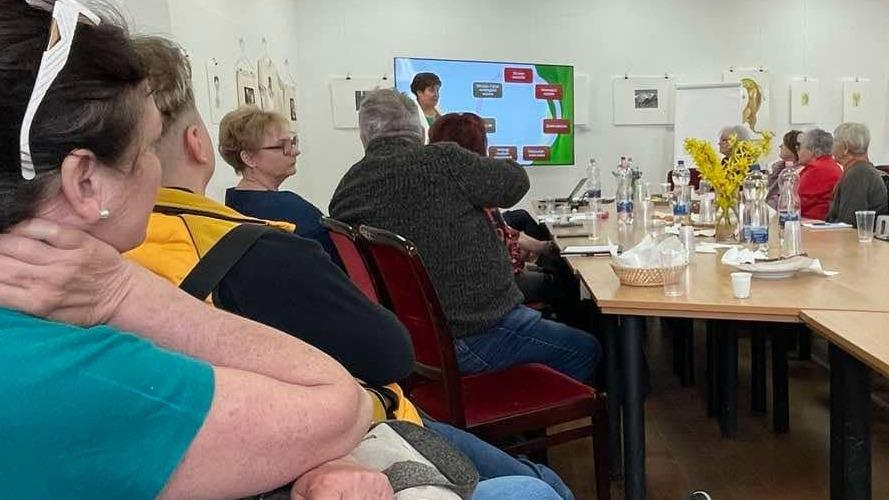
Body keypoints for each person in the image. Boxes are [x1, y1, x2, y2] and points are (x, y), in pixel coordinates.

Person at [127, 36, 573, 500]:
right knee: (539, 486)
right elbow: (388, 355)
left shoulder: (112, 268)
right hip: (358, 426)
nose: (294, 151)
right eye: (286, 144)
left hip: (262, 448)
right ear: (197, 144)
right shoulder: (260, 248)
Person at [0, 2, 386, 498]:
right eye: (147, 147)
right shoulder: (63, 373)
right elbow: (342, 403)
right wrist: (119, 291)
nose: (155, 168)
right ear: (86, 182)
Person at [330, 89, 601, 384]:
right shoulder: (443, 160)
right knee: (588, 350)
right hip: (479, 332)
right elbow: (515, 182)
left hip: (410, 343)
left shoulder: (348, 189)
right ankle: (527, 407)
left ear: (364, 136)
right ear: (419, 130)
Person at [428, 112, 582, 324]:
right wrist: (535, 253)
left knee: (554, 266)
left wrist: (540, 249)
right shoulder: (476, 189)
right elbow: (503, 242)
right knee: (565, 282)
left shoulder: (437, 189)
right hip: (493, 287)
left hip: (470, 285)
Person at [219, 106, 343, 268]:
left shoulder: (232, 204)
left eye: (292, 142)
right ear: (249, 158)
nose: (295, 151)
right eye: (282, 146)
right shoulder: (292, 211)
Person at [827, 123, 889, 226]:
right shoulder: (861, 170)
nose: (832, 147)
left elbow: (848, 223)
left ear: (845, 147)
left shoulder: (858, 174)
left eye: (835, 142)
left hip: (855, 235)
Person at [796, 128, 842, 220]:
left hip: (813, 222)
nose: (798, 152)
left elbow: (795, 202)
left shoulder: (817, 169)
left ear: (813, 150)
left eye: (800, 148)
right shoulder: (832, 165)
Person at [766, 129, 801, 208]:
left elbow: (781, 201)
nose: (780, 146)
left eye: (784, 144)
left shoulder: (796, 173)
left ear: (793, 149)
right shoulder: (779, 167)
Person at [410, 71, 443, 140]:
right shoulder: (409, 115)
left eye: (437, 90)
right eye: (431, 90)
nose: (436, 94)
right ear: (419, 92)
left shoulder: (441, 114)